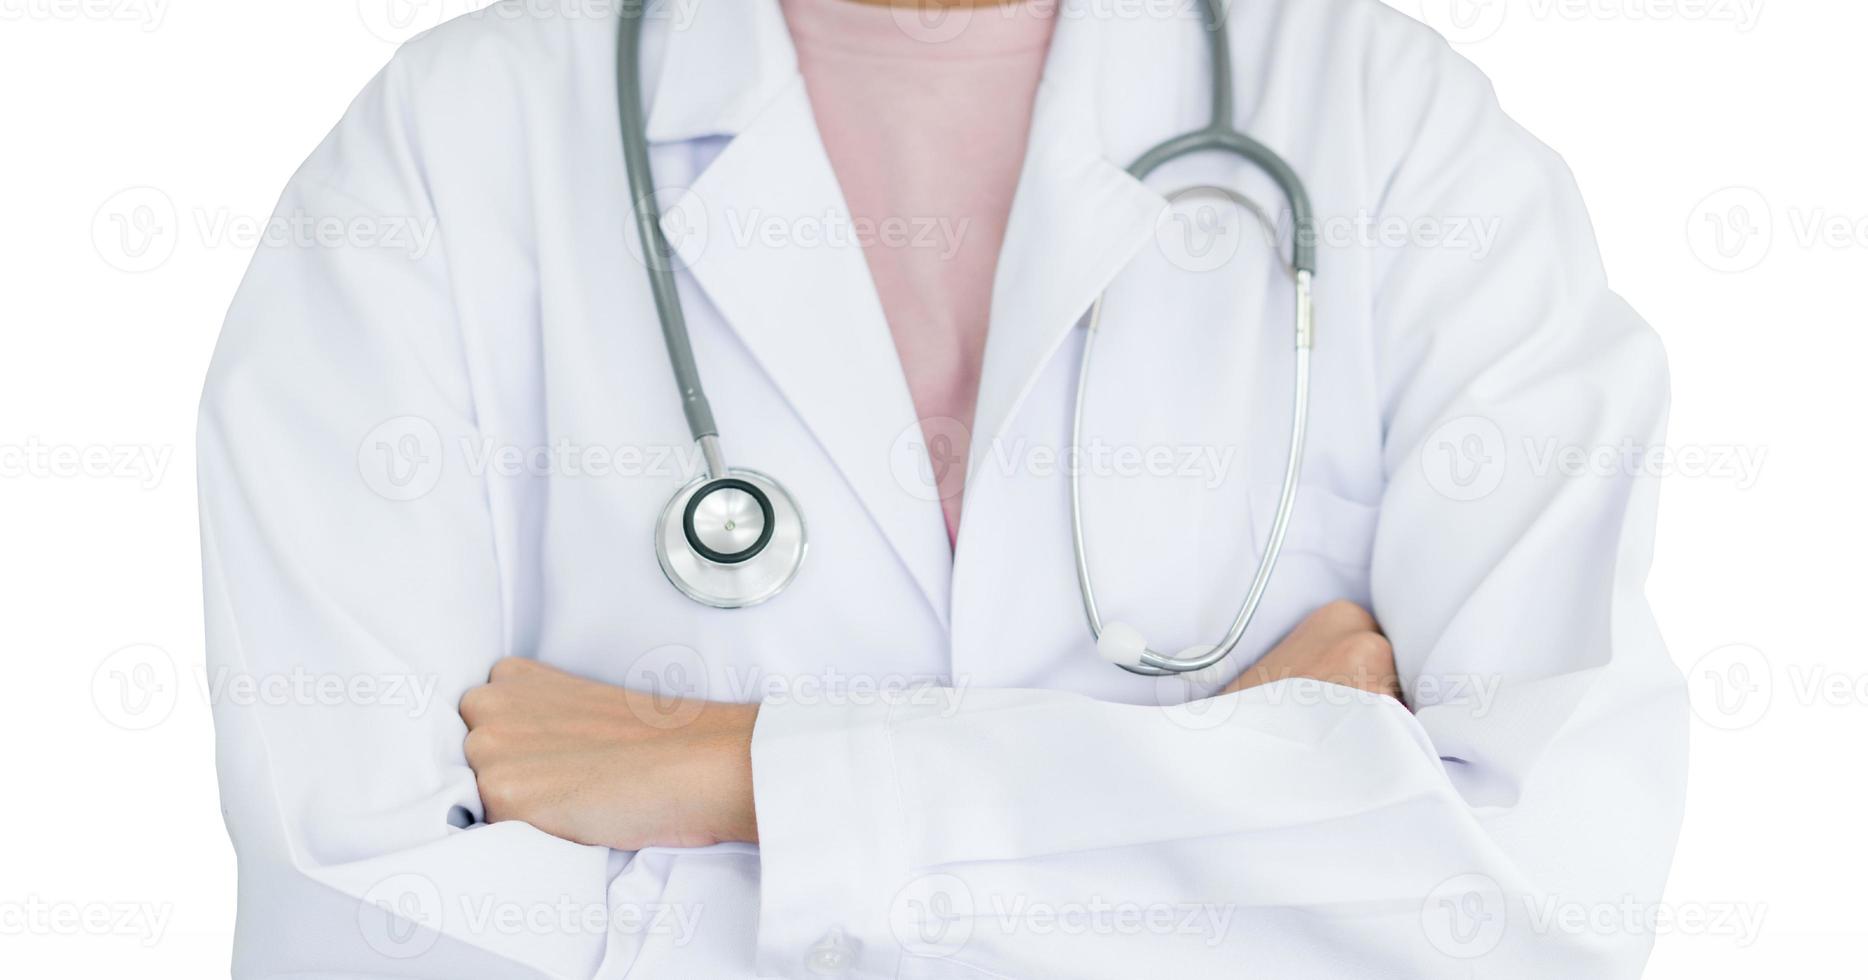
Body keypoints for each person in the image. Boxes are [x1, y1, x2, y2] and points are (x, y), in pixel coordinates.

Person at [197, 0, 1685, 976]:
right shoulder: (451, 152)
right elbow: (359, 925)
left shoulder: (1401, 131)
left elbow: (1545, 901)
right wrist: (1247, 802)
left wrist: (744, 775)